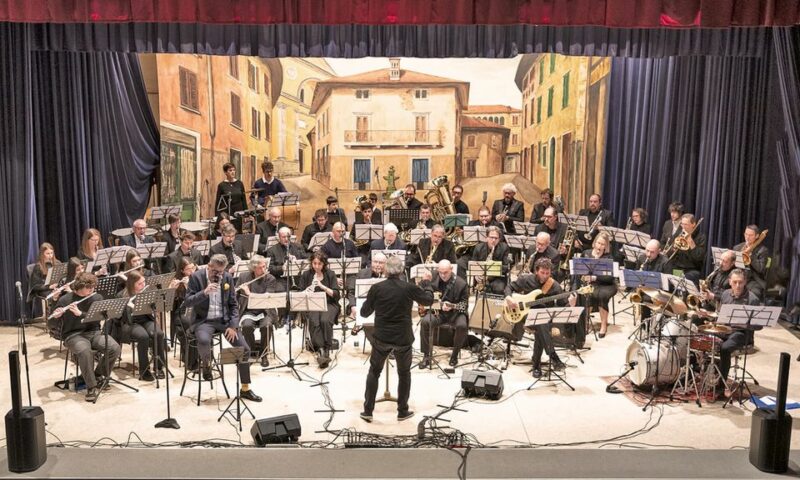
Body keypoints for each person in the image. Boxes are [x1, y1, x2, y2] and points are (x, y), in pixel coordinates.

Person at [360, 256, 433, 423]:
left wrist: (370, 300)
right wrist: (427, 283)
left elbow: (364, 313)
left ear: (385, 270)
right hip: (403, 338)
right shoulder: (409, 288)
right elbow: (428, 300)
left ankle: (368, 410)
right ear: (401, 271)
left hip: (381, 338)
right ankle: (402, 411)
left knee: (374, 372)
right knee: (404, 373)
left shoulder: (377, 288)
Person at [184, 254, 261, 402]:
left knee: (245, 349)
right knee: (204, 340)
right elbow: (187, 302)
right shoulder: (196, 277)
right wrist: (204, 292)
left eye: (221, 272)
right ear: (209, 266)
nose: (219, 275)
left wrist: (233, 326)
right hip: (204, 321)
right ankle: (206, 365)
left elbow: (233, 305)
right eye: (215, 272)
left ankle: (245, 388)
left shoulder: (226, 278)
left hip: (224, 321)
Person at [51, 273, 121, 402]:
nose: (92, 290)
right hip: (73, 335)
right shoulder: (65, 300)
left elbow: (99, 317)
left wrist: (80, 313)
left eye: (93, 287)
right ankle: (91, 386)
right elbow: (51, 325)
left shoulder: (97, 297)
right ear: (80, 287)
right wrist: (56, 316)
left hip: (93, 332)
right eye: (89, 288)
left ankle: (99, 375)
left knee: (114, 348)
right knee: (84, 351)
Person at [505, 258, 569, 377]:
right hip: (525, 316)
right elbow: (509, 287)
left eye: (547, 273)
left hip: (545, 318)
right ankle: (551, 356)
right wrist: (509, 298)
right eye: (542, 272)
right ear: (536, 271)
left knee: (542, 324)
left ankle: (537, 365)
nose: (545, 276)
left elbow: (563, 304)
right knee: (541, 324)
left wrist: (571, 302)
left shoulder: (554, 285)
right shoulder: (526, 279)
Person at [713, 269, 761, 400]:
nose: (738, 286)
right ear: (730, 282)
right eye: (735, 282)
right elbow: (720, 316)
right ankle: (707, 374)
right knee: (703, 340)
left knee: (725, 348)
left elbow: (759, 325)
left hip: (742, 333)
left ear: (745, 282)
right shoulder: (725, 294)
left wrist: (744, 324)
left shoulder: (753, 299)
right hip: (725, 330)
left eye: (740, 282)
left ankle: (721, 386)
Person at [112, 270, 167, 381]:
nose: (143, 285)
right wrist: (126, 306)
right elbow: (116, 317)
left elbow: (155, 306)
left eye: (143, 282)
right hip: (130, 323)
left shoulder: (146, 292)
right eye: (140, 284)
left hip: (145, 320)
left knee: (159, 333)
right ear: (132, 284)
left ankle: (159, 367)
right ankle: (144, 370)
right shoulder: (121, 295)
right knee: (143, 337)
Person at [419, 260, 469, 368]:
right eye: (440, 272)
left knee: (462, 325)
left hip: (456, 313)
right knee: (425, 322)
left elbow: (464, 305)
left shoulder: (462, 284)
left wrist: (452, 305)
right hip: (438, 313)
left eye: (445, 272)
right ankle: (426, 355)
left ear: (451, 269)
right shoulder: (432, 278)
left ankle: (454, 355)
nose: (443, 275)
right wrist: (424, 281)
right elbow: (421, 293)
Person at [298, 251, 340, 368]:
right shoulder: (306, 274)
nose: (316, 266)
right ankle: (321, 349)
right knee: (314, 320)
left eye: (319, 264)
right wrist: (306, 291)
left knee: (325, 320)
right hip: (312, 304)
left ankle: (326, 347)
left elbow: (336, 294)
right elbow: (299, 293)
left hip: (329, 304)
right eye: (314, 263)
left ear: (324, 264)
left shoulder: (330, 274)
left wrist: (322, 286)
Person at [236, 255, 278, 367]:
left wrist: (249, 294)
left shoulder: (270, 278)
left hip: (265, 311)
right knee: (247, 326)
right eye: (260, 267)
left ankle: (264, 354)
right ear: (254, 268)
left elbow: (267, 297)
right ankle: (252, 351)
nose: (264, 269)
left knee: (267, 326)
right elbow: (236, 295)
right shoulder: (243, 276)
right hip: (248, 311)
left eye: (264, 266)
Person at [577, 232, 616, 338]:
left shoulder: (608, 258)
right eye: (598, 243)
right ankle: (585, 321)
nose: (600, 246)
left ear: (606, 246)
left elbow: (610, 277)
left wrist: (595, 277)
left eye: (603, 244)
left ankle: (604, 325)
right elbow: (579, 269)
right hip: (591, 284)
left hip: (606, 284)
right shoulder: (586, 253)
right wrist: (583, 276)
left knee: (602, 295)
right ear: (594, 243)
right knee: (587, 293)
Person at [460, 226, 511, 294]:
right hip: (481, 278)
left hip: (498, 277)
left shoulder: (504, 248)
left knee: (499, 289)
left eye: (496, 238)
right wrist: (476, 275)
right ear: (486, 238)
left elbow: (506, 267)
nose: (493, 240)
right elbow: (473, 264)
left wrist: (494, 265)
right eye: (491, 237)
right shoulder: (478, 247)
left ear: (499, 239)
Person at [665, 213, 706, 284]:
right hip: (678, 267)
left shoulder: (701, 237)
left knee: (685, 279)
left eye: (685, 224)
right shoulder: (679, 234)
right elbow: (669, 253)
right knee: (665, 271)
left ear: (693, 224)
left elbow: (699, 257)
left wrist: (691, 243)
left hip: (691, 269)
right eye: (682, 224)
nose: (683, 227)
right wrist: (673, 249)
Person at [732, 225, 769, 299]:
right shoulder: (737, 247)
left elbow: (761, 269)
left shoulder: (763, 250)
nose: (747, 237)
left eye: (750, 235)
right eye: (746, 234)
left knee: (753, 295)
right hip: (738, 278)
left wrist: (750, 256)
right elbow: (732, 265)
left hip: (753, 281)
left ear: (757, 236)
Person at [266, 226, 307, 293]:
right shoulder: (272, 250)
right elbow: (269, 268)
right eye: (283, 237)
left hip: (297, 277)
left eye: (288, 237)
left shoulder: (298, 247)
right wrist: (281, 268)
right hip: (281, 279)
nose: (286, 239)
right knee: (280, 290)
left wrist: (297, 261)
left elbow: (306, 260)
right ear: (279, 237)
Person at [28, 242, 61, 318]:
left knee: (66, 293)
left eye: (51, 253)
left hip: (56, 287)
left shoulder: (58, 263)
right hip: (44, 289)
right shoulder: (38, 267)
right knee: (53, 295)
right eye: (47, 253)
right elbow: (35, 286)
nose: (50, 256)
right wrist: (49, 287)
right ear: (42, 254)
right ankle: (53, 318)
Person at [214, 162, 247, 232]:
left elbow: (243, 199)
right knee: (227, 232)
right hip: (227, 213)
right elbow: (218, 202)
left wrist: (246, 213)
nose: (233, 172)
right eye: (230, 170)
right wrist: (218, 216)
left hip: (238, 212)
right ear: (225, 172)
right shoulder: (221, 185)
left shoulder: (240, 183)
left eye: (234, 170)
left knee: (238, 232)